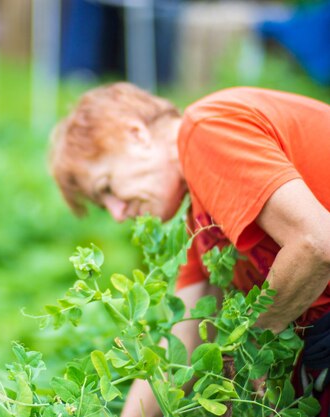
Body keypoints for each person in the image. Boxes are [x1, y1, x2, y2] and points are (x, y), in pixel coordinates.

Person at [49, 83, 330, 417]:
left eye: (107, 187)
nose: (117, 213)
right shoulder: (201, 220)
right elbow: (187, 337)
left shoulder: (205, 129)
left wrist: (256, 340)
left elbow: (315, 243)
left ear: (136, 135)